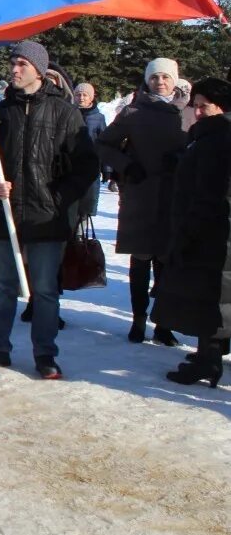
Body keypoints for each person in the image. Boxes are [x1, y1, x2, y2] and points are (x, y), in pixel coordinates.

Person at [0, 40, 97, 379]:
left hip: (47, 217)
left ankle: (45, 354)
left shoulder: (65, 113)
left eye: (22, 63)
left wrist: (59, 197)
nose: (14, 69)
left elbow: (86, 166)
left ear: (39, 70)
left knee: (44, 291)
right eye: (13, 62)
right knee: (4, 289)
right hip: (5, 216)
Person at [96, 58, 189, 346]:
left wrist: (185, 160)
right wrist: (126, 165)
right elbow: (103, 144)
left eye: (165, 77)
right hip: (141, 193)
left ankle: (163, 323)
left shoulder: (187, 113)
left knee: (166, 261)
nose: (159, 82)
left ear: (174, 80)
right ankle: (138, 320)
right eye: (154, 77)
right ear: (146, 80)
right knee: (141, 259)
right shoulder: (133, 111)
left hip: (176, 196)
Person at [152, 78, 231, 387]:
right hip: (211, 232)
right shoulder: (209, 137)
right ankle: (207, 356)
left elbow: (210, 193)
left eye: (204, 106)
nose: (197, 112)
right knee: (211, 299)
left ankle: (208, 361)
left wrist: (188, 232)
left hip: (210, 234)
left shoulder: (217, 140)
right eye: (195, 105)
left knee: (209, 298)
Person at [74, 83, 107, 219]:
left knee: (86, 204)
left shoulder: (98, 118)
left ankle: (81, 235)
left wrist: (107, 168)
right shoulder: (68, 113)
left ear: (91, 98)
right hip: (71, 164)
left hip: (91, 166)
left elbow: (105, 143)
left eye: (85, 95)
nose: (81, 98)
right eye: (78, 95)